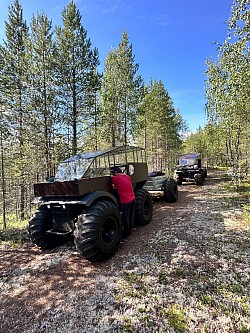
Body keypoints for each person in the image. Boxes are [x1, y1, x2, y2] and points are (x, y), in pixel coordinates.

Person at [111, 166, 135, 238]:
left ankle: (126, 234)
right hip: (133, 198)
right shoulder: (127, 177)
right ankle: (130, 230)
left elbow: (113, 186)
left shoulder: (115, 178)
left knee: (125, 218)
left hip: (125, 201)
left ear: (116, 173)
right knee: (131, 216)